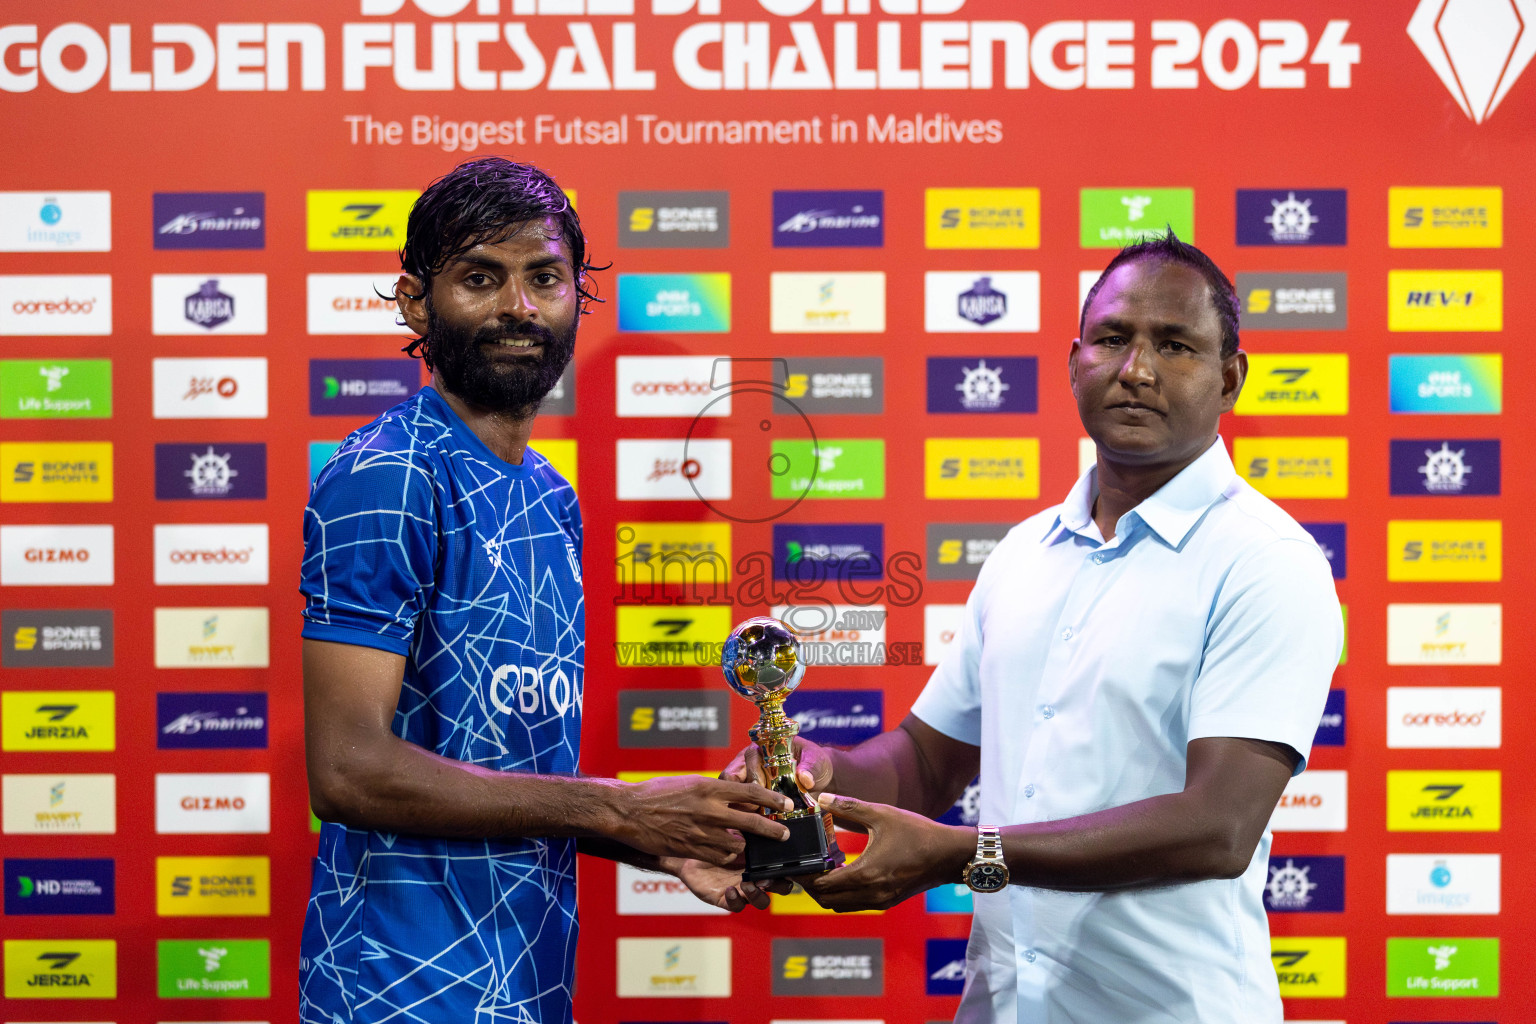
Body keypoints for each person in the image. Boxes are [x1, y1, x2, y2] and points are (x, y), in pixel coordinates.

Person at [737, 232, 1342, 1022]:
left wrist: (966, 855)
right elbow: (927, 760)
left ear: (1230, 377)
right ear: (1074, 361)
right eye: (1114, 339)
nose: (1138, 370)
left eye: (1176, 345)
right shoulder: (1025, 552)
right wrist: (816, 770)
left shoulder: (1266, 562)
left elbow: (1218, 827)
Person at [298, 156, 792, 1024]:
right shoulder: (384, 474)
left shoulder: (551, 497)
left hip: (527, 984)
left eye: (545, 279)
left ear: (576, 298)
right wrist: (621, 807)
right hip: (396, 993)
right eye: (480, 278)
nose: (518, 308)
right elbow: (347, 771)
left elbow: (510, 780)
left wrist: (663, 842)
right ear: (417, 301)